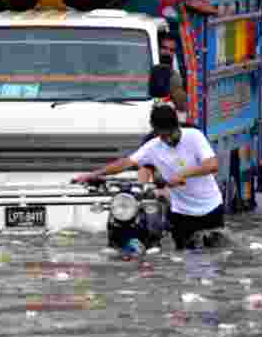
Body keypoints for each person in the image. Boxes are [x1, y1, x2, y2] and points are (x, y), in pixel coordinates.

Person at [72, 105, 224, 251]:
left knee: (215, 256)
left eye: (171, 134)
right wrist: (93, 174)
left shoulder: (194, 136)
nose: (168, 140)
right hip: (181, 213)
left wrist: (183, 174)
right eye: (163, 136)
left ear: (177, 126)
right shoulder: (153, 147)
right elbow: (125, 163)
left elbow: (212, 165)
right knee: (186, 258)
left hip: (210, 208)